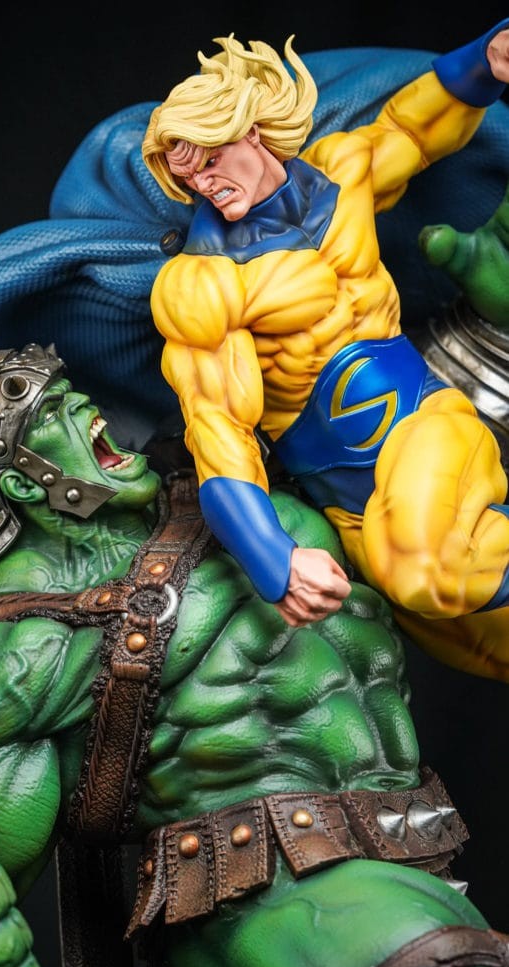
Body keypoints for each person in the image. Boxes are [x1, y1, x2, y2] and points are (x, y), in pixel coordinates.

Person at [0, 262, 509, 967]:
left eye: (63, 388)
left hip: (423, 867)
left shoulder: (232, 471)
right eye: (43, 409)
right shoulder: (19, 654)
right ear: (20, 481)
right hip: (267, 906)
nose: (80, 402)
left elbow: (409, 448)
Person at [141, 21, 509, 684]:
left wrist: (485, 59)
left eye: (210, 159)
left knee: (429, 569)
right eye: (186, 173)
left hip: (424, 426)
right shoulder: (201, 284)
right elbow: (218, 433)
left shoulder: (340, 174)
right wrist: (273, 560)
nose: (203, 183)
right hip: (350, 506)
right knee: (486, 644)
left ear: (252, 130)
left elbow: (417, 126)